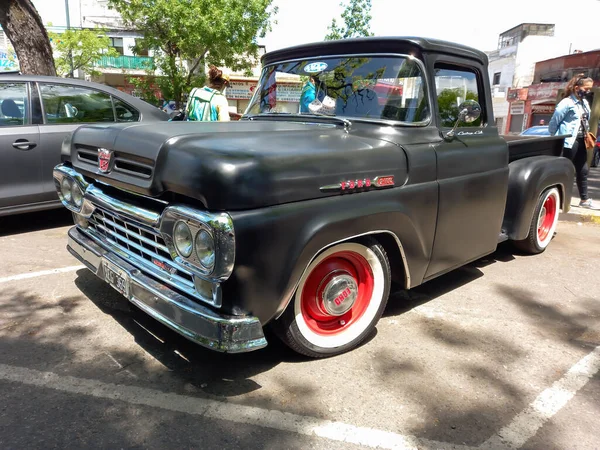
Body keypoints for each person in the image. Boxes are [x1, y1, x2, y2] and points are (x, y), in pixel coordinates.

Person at [548, 74, 594, 208]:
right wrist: (554, 137)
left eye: (590, 89)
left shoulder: (584, 103)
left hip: (581, 141)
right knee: (564, 170)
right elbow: (554, 121)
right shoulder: (566, 102)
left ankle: (584, 200)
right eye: (586, 88)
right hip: (568, 141)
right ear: (576, 88)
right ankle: (557, 199)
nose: (588, 91)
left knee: (583, 170)